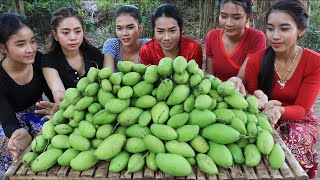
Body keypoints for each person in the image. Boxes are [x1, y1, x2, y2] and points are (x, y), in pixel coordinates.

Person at [243, 0, 320, 178]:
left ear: (300, 31)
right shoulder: (256, 60)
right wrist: (257, 96)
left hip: (299, 119)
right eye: (270, 28)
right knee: (256, 148)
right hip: (265, 117)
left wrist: (279, 109)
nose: (275, 36)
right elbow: (253, 98)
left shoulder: (314, 62)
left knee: (292, 142)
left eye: (284, 29)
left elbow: (302, 108)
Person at [0, 13, 51, 175]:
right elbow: (6, 118)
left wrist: (56, 108)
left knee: (48, 146)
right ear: (2, 48)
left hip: (36, 113)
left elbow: (52, 95)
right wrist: (16, 132)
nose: (31, 49)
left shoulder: (40, 61)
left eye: (33, 41)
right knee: (10, 150)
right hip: (9, 120)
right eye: (20, 44)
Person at [41, 7, 103, 103]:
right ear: (55, 35)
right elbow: (58, 90)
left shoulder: (94, 54)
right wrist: (61, 103)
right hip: (68, 112)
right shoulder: (49, 60)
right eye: (66, 33)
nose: (73, 37)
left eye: (78, 31)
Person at [205, 0, 266, 82]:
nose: (229, 23)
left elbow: (240, 80)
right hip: (215, 92)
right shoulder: (212, 36)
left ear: (248, 16)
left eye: (236, 17)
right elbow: (209, 74)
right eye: (223, 16)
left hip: (242, 93)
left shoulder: (256, 38)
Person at [102, 5, 150, 72]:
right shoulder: (111, 45)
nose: (124, 33)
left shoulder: (149, 46)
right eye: (119, 28)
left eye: (130, 27)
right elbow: (107, 75)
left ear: (140, 28)